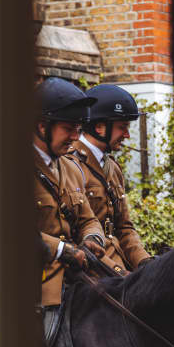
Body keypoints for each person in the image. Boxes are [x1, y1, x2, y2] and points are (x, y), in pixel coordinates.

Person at [34, 77, 106, 339]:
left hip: (81, 277)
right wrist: (64, 250)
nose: (76, 137)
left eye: (79, 128)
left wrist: (91, 237)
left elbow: (89, 218)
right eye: (69, 129)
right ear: (42, 126)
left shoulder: (71, 167)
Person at [69, 84, 151, 275]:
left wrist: (145, 262)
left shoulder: (112, 167)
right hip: (89, 271)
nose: (127, 135)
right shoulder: (71, 164)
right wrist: (119, 273)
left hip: (118, 265)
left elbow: (124, 227)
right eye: (122, 127)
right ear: (99, 127)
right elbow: (75, 233)